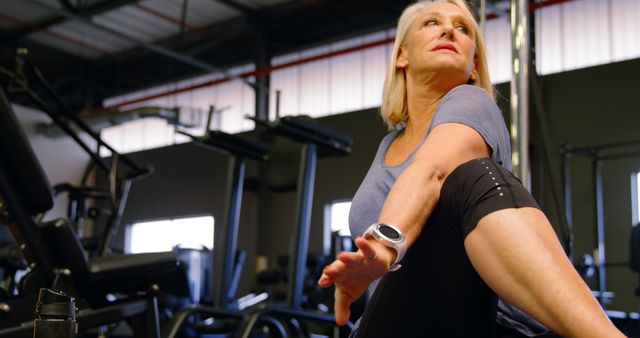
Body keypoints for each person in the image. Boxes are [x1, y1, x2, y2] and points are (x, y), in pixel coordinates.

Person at [316, 0, 626, 337]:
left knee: (470, 176)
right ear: (402, 55)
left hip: (480, 323)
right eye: (431, 22)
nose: (449, 29)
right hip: (388, 324)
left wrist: (382, 246)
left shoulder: (471, 102)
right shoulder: (387, 145)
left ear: (473, 66)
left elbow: (432, 171)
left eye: (463, 29)